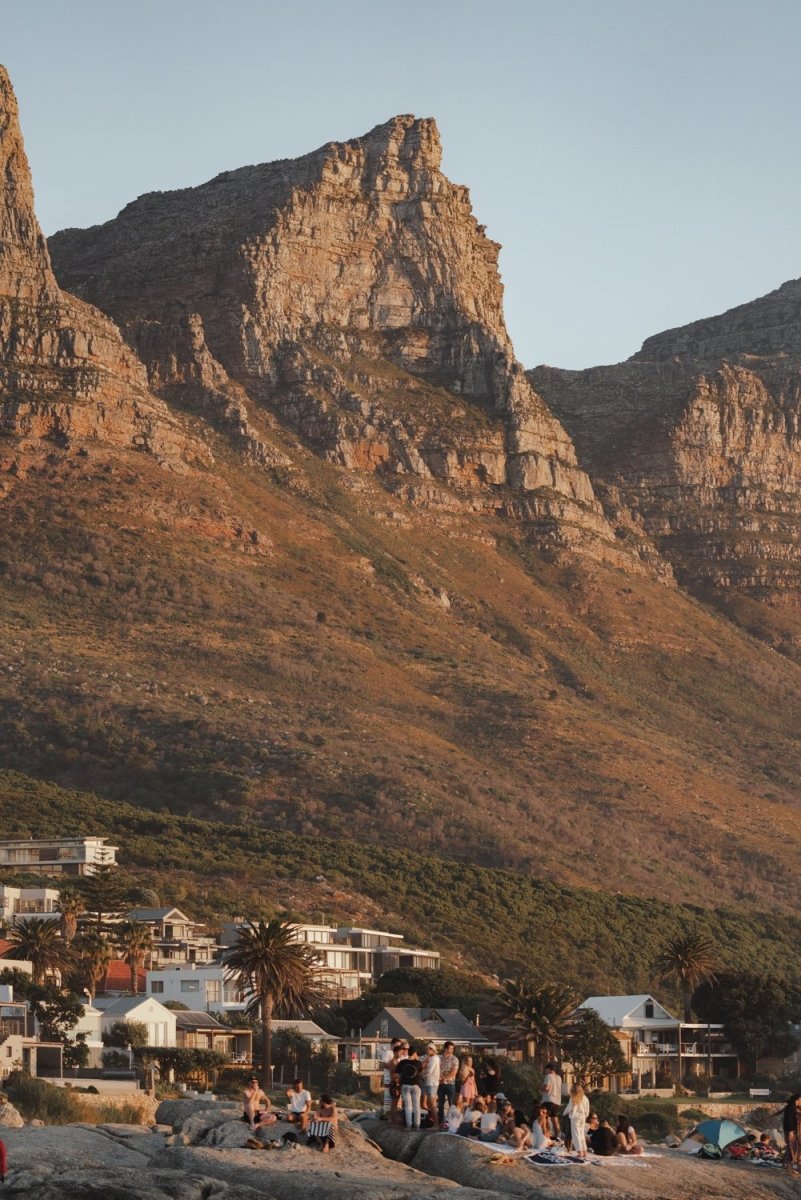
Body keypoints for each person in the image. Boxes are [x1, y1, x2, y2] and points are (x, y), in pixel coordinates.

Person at [397, 1046, 423, 1131]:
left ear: (408, 1053)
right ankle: (417, 1125)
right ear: (415, 1053)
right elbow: (421, 1072)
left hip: (405, 1085)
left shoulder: (403, 1062)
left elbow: (398, 1072)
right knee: (416, 1106)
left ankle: (408, 1126)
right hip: (416, 1085)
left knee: (408, 1106)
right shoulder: (419, 1063)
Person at [564, 1083, 590, 1159]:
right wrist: (586, 1115)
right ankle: (584, 1151)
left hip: (575, 1117)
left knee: (576, 1135)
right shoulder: (585, 1098)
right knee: (582, 1134)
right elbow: (587, 1109)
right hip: (583, 1117)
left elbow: (569, 1108)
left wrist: (564, 1113)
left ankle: (580, 1151)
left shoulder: (573, 1097)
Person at [437, 1041, 460, 1126]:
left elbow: (454, 1072)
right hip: (440, 1084)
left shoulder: (455, 1059)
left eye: (453, 1048)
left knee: (451, 1104)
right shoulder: (438, 1057)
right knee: (440, 1103)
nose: (452, 1050)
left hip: (450, 1084)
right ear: (445, 1048)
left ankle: (451, 1122)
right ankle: (441, 1121)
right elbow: (436, 1069)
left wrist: (444, 1078)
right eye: (450, 1048)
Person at [420, 1042, 441, 1128]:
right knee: (430, 1104)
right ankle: (434, 1122)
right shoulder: (433, 1058)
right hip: (431, 1082)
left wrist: (422, 1074)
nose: (426, 1051)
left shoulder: (434, 1059)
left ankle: (436, 1124)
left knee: (432, 1105)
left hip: (431, 1083)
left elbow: (429, 1071)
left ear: (431, 1049)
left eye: (427, 1049)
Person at [540, 1062, 563, 1139]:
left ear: (549, 1069)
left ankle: (547, 1135)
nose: (545, 1072)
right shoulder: (559, 1078)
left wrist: (540, 1088)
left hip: (548, 1100)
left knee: (545, 1118)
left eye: (545, 1070)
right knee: (555, 1119)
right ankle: (558, 1136)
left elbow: (547, 1088)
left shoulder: (548, 1076)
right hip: (557, 1101)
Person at [782, 1093, 801, 1175]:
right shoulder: (791, 1108)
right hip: (790, 1130)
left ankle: (789, 1167)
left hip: (793, 1130)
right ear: (799, 1099)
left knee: (792, 1148)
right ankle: (789, 1168)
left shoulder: (793, 1107)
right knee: (792, 1149)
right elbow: (788, 1120)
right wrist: (790, 1131)